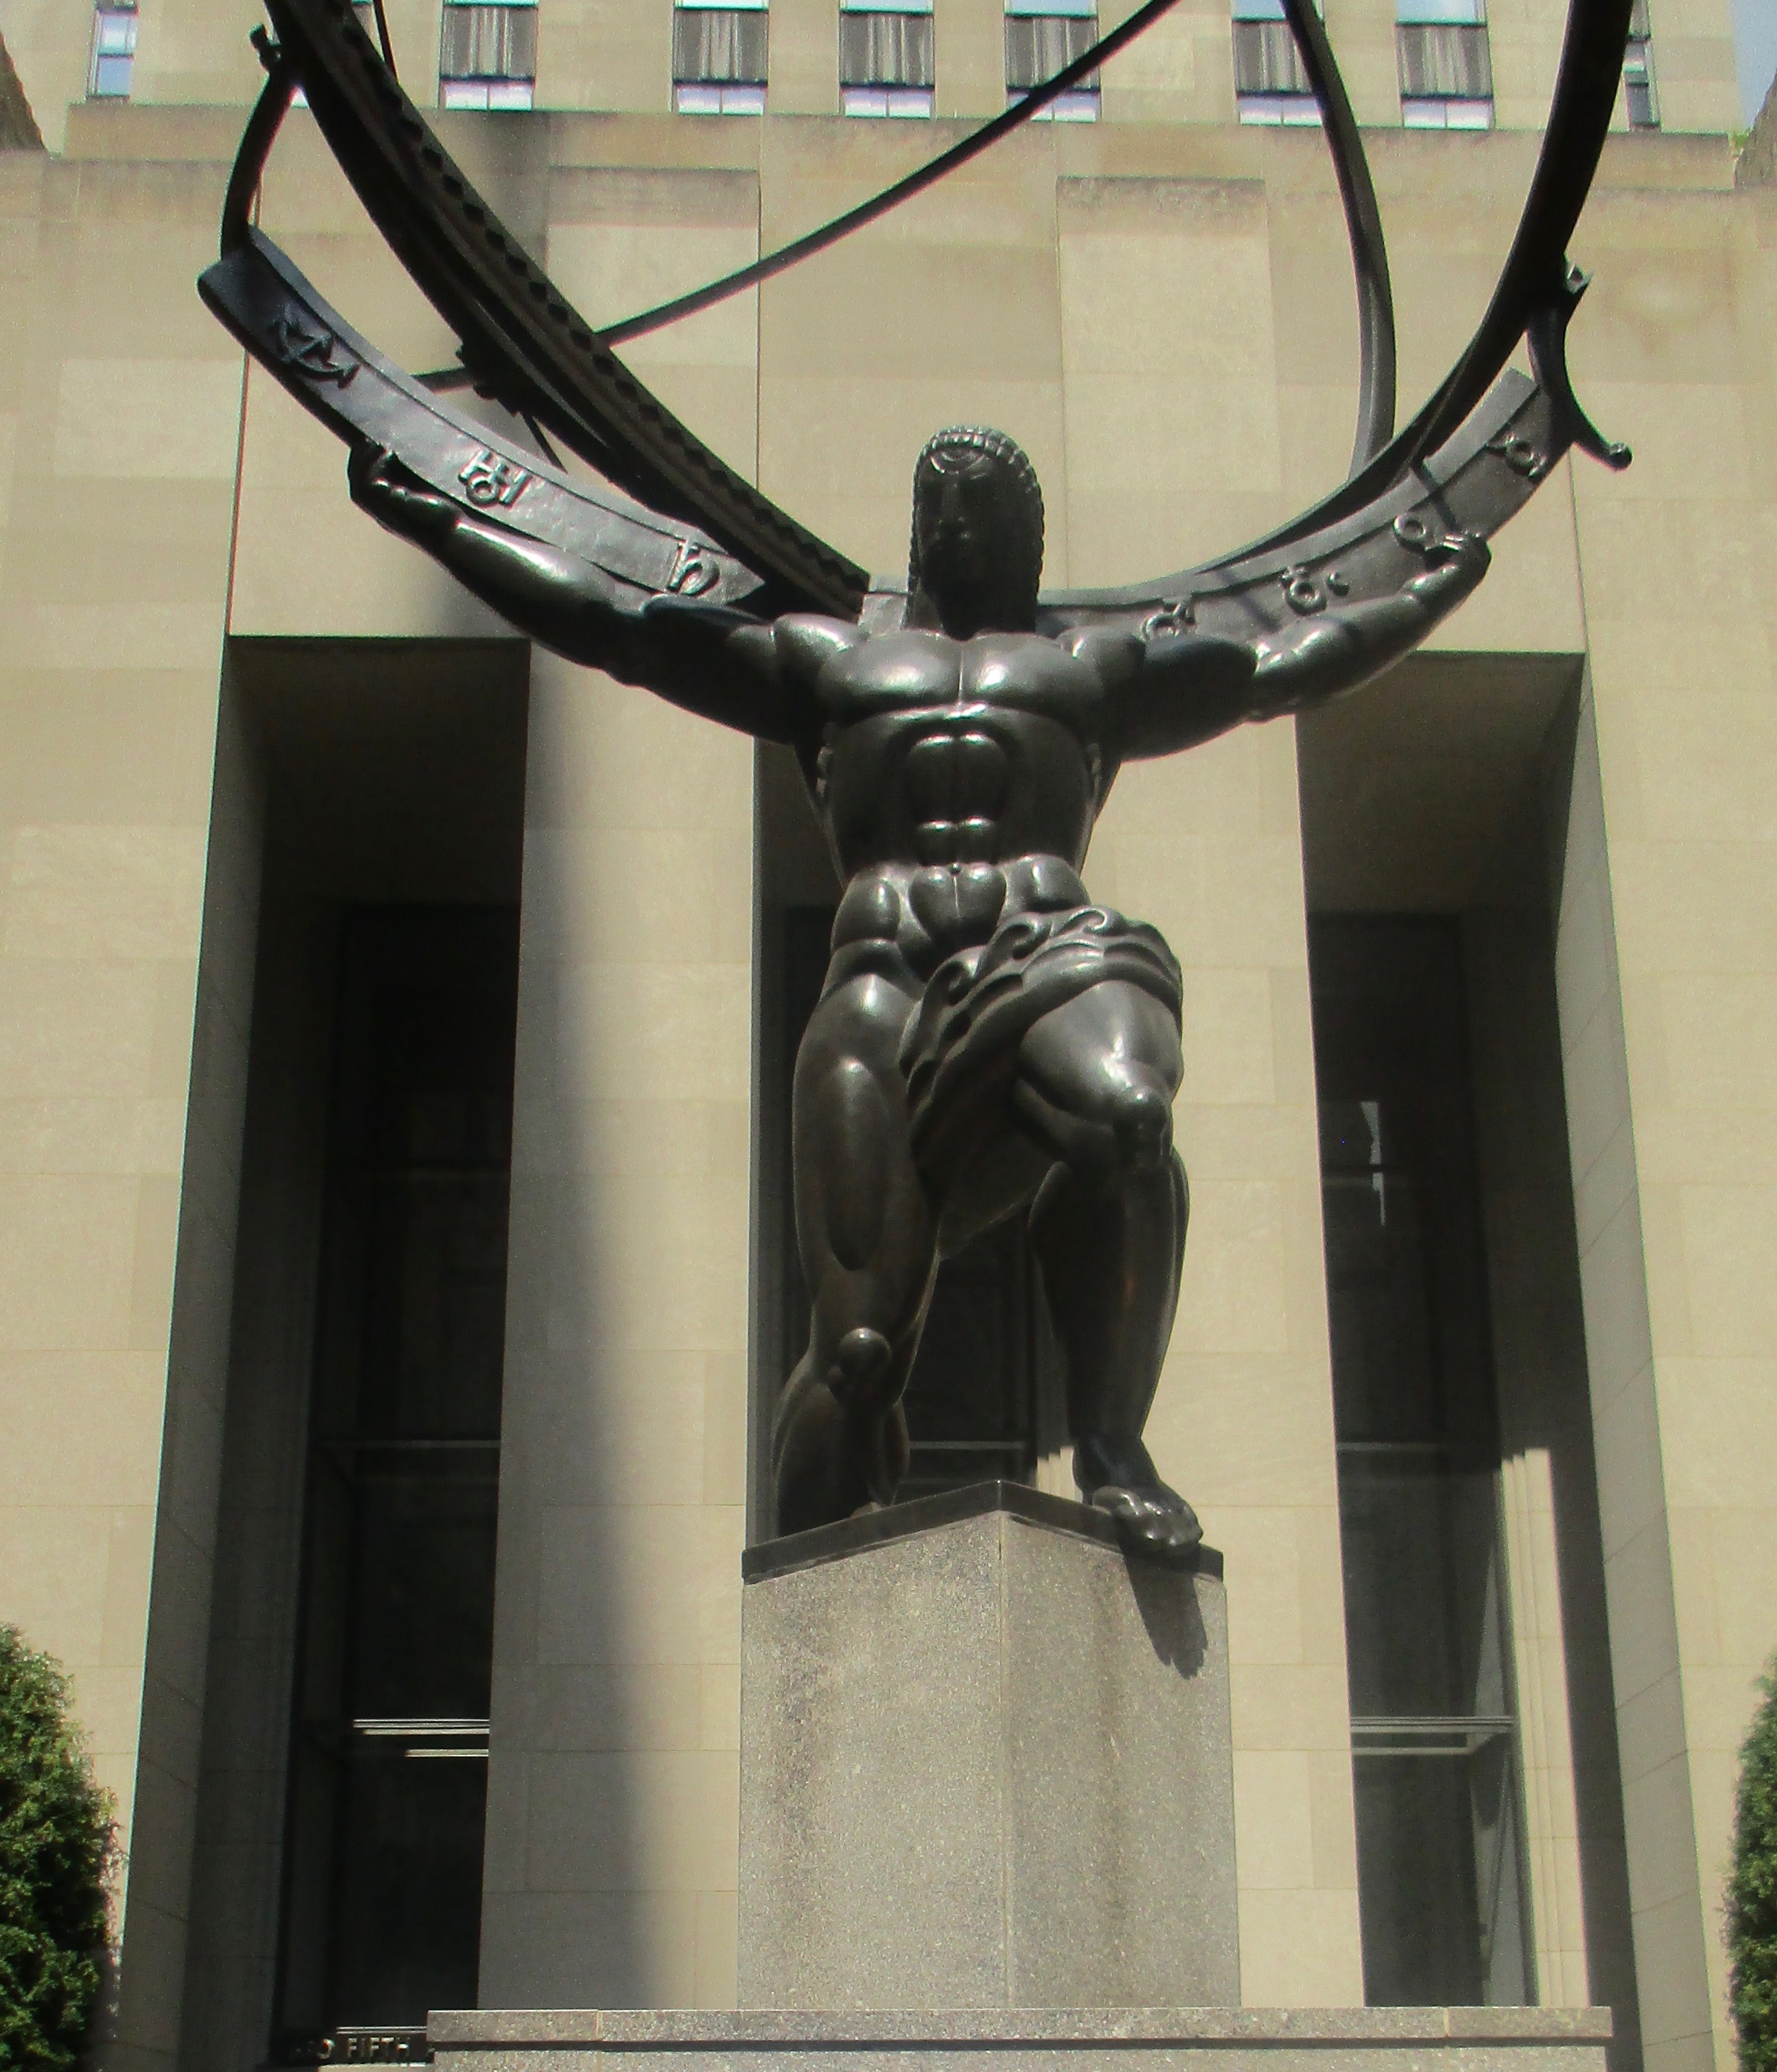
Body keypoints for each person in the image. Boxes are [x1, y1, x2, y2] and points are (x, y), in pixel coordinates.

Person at [351, 427, 1487, 1560]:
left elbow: (1280, 667)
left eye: (982, 503)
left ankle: (1112, 1445)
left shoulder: (1089, 670)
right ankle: (807, 1603)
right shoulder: (828, 662)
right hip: (882, 990)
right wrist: (440, 524)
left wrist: (1433, 587)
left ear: (1025, 537)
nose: (955, 522)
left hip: (1040, 958)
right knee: (857, 1350)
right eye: (937, 499)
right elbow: (622, 630)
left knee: (1132, 1116)